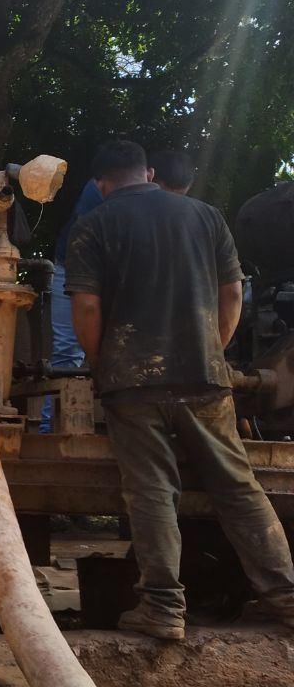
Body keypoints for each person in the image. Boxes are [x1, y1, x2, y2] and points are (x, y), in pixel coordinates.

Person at [66, 139, 294, 640]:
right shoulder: (206, 216)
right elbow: (232, 291)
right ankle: (286, 598)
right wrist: (213, 349)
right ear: (147, 172)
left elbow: (85, 307)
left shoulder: (93, 225)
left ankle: (164, 609)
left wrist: (105, 362)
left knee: (151, 492)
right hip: (206, 381)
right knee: (238, 488)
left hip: (132, 388)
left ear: (101, 183)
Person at [40, 176, 104, 431]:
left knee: (67, 354)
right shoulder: (94, 200)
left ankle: (48, 429)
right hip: (73, 267)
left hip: (90, 267)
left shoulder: (105, 193)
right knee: (67, 353)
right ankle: (49, 429)